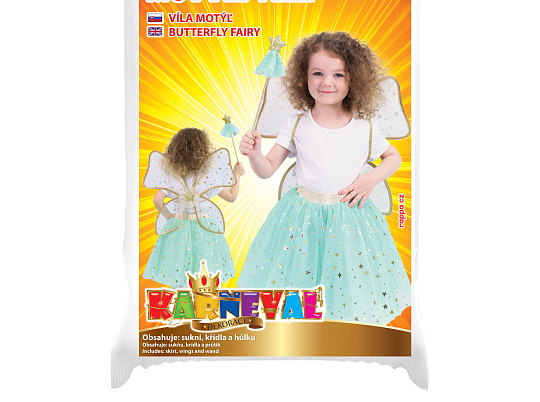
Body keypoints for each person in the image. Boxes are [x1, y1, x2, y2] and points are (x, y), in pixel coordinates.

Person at [238, 32, 410, 325]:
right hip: (300, 218)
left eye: (338, 74)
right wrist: (254, 154)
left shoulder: (364, 126)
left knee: (346, 278)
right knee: (300, 277)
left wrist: (369, 180)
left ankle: (341, 331)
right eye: (317, 73)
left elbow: (394, 157)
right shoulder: (295, 123)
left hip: (350, 217)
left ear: (354, 78)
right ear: (303, 77)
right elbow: (266, 170)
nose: (327, 82)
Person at [143, 127, 244, 287]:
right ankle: (203, 297)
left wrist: (169, 217)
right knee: (205, 268)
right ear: (203, 151)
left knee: (179, 267)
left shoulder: (172, 177)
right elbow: (231, 197)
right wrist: (237, 173)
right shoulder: (208, 177)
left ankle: (182, 297)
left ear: (175, 151)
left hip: (178, 225)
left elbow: (157, 200)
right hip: (204, 227)